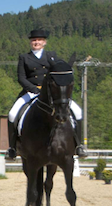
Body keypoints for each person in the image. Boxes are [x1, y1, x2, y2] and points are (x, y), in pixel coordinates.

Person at [7, 29, 85, 159]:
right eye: (34, 40)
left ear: (44, 42)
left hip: (52, 93)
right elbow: (21, 78)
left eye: (39, 40)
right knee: (12, 113)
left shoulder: (51, 56)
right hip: (31, 92)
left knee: (78, 112)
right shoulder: (24, 58)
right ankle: (12, 148)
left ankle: (79, 145)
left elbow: (59, 74)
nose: (36, 42)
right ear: (30, 42)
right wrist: (34, 89)